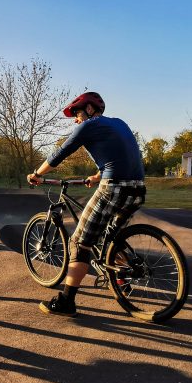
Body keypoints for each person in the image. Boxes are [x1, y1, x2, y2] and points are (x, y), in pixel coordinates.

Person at [27, 92, 146, 317]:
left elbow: (58, 154)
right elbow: (121, 158)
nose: (75, 119)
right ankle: (121, 276)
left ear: (90, 110)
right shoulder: (119, 123)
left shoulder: (88, 126)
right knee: (110, 235)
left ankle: (66, 301)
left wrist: (36, 174)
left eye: (76, 113)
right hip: (137, 188)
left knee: (79, 243)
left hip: (114, 188)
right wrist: (97, 176)